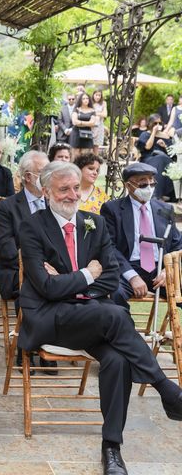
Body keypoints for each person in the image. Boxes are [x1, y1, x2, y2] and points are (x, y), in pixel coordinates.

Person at [19, 161, 182, 475]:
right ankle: (167, 390)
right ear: (47, 191)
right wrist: (86, 274)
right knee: (114, 314)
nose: (71, 194)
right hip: (52, 321)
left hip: (93, 318)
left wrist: (73, 282)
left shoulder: (94, 222)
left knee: (118, 359)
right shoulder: (32, 226)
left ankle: (112, 448)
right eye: (63, 188)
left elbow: (109, 279)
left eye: (75, 187)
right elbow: (45, 287)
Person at [0, 151, 56, 374]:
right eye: (43, 173)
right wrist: (33, 266)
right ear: (28, 177)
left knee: (63, 286)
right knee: (30, 288)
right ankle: (26, 349)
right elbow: (4, 246)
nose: (49, 177)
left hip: (50, 271)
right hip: (14, 271)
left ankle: (50, 346)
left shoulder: (54, 205)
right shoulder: (8, 207)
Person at [100, 163, 182, 310]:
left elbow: (177, 243)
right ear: (128, 185)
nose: (149, 188)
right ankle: (124, 331)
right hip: (129, 267)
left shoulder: (165, 209)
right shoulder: (112, 209)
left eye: (152, 183)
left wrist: (167, 270)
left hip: (160, 269)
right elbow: (108, 246)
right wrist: (132, 276)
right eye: (143, 184)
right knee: (115, 292)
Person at [70, 92, 98, 157]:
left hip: (87, 134)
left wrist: (80, 123)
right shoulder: (76, 109)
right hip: (76, 134)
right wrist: (87, 123)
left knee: (86, 156)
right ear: (80, 100)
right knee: (75, 155)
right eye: (83, 98)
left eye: (87, 98)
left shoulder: (92, 111)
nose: (85, 100)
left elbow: (92, 123)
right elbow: (74, 122)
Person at [91, 90, 107, 156]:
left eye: (99, 95)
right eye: (96, 95)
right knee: (89, 146)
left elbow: (105, 114)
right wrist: (100, 114)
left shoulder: (103, 103)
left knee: (96, 146)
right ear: (93, 95)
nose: (97, 97)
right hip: (90, 125)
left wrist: (95, 113)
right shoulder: (90, 102)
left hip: (99, 126)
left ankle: (95, 161)